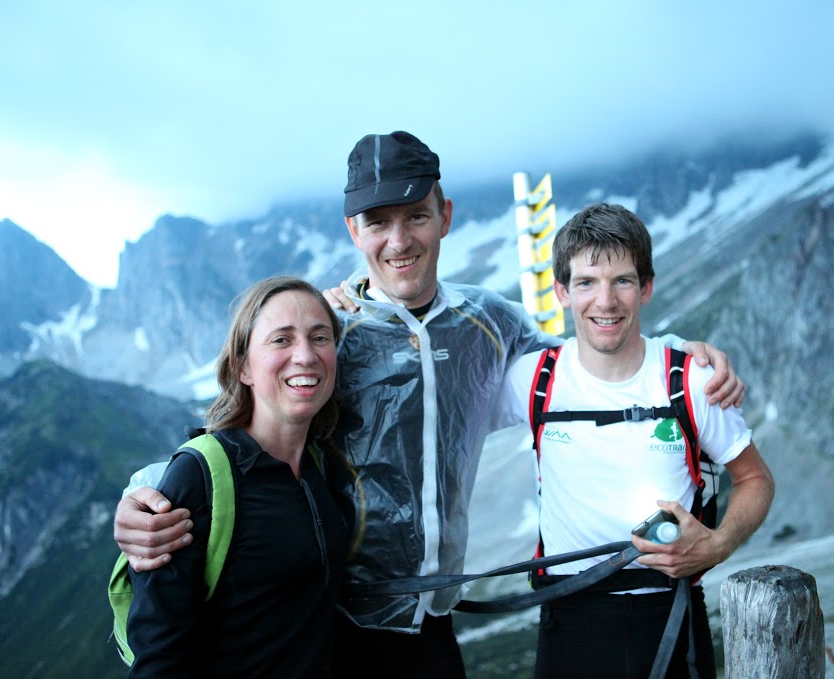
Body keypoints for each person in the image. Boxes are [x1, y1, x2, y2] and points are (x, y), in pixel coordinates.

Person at [113, 131, 746, 678]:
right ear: (353, 231)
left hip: (433, 621)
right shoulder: (327, 328)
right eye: (378, 222)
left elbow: (594, 358)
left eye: (415, 216)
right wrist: (145, 494)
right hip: (331, 623)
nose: (398, 240)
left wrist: (676, 348)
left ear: (444, 215)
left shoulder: (490, 323)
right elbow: (240, 427)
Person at [495, 203, 775, 678]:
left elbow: (755, 478)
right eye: (586, 282)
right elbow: (441, 411)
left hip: (670, 616)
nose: (604, 301)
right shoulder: (533, 378)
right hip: (568, 623)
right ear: (562, 291)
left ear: (645, 287)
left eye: (621, 281)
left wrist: (719, 542)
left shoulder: (691, 380)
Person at [124, 276, 352, 676]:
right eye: (281, 340)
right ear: (242, 367)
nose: (306, 356)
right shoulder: (199, 476)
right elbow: (159, 658)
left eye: (320, 337)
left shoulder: (322, 464)